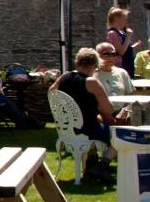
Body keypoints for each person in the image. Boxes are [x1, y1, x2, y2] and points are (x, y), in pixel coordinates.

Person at [51, 47, 129, 182]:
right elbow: (109, 110)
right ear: (95, 65)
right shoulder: (92, 83)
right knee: (123, 133)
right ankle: (102, 165)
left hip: (67, 129)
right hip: (88, 129)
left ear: (78, 62)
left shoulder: (64, 77)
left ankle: (90, 166)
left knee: (101, 123)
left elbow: (51, 93)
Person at [105, 6, 142, 77]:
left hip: (128, 65)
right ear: (117, 19)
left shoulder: (121, 32)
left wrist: (133, 46)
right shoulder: (112, 33)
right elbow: (121, 51)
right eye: (125, 19)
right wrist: (128, 36)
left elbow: (125, 48)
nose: (126, 22)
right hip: (121, 67)